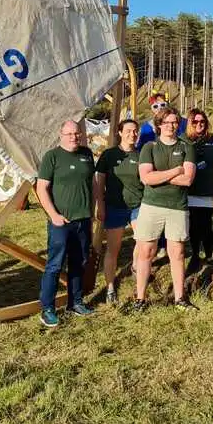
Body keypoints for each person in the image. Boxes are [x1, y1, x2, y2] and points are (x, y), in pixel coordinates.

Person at [133, 106, 197, 311]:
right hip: (151, 206)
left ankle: (180, 298)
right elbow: (146, 178)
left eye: (175, 122)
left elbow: (187, 179)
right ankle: (140, 299)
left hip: (177, 207)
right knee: (146, 251)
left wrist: (161, 175)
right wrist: (175, 170)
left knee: (177, 253)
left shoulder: (187, 147)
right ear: (159, 124)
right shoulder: (149, 148)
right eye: (167, 122)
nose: (171, 125)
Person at [36, 120, 97, 327]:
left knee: (79, 262)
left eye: (77, 134)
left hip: (83, 220)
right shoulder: (52, 157)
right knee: (55, 265)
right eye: (69, 134)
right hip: (61, 222)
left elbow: (92, 184)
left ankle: (76, 302)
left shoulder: (87, 154)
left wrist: (95, 208)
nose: (74, 137)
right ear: (61, 135)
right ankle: (47, 308)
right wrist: (53, 214)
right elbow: (41, 188)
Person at [93, 118, 143, 305]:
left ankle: (137, 268)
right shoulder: (109, 155)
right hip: (114, 206)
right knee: (113, 249)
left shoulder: (141, 154)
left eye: (135, 131)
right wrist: (100, 204)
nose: (133, 134)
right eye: (128, 130)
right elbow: (99, 182)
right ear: (120, 133)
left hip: (138, 205)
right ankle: (110, 287)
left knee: (142, 241)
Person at [185, 108, 213, 275]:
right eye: (195, 122)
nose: (199, 125)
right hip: (189, 190)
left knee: (207, 225)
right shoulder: (184, 140)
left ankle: (208, 256)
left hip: (207, 189)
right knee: (193, 226)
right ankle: (194, 255)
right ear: (190, 123)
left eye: (202, 122)